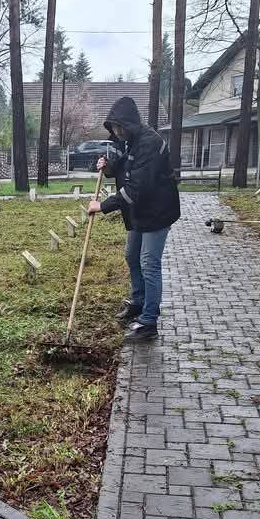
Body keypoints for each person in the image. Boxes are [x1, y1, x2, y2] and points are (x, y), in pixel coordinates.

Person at [88, 97, 181, 342]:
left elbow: (137, 187)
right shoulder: (132, 140)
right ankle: (138, 302)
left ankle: (149, 321)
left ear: (129, 123)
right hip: (140, 210)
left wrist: (102, 206)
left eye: (119, 128)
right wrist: (108, 167)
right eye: (114, 129)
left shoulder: (149, 143)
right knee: (132, 256)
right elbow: (126, 168)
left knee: (149, 263)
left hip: (158, 210)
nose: (117, 134)